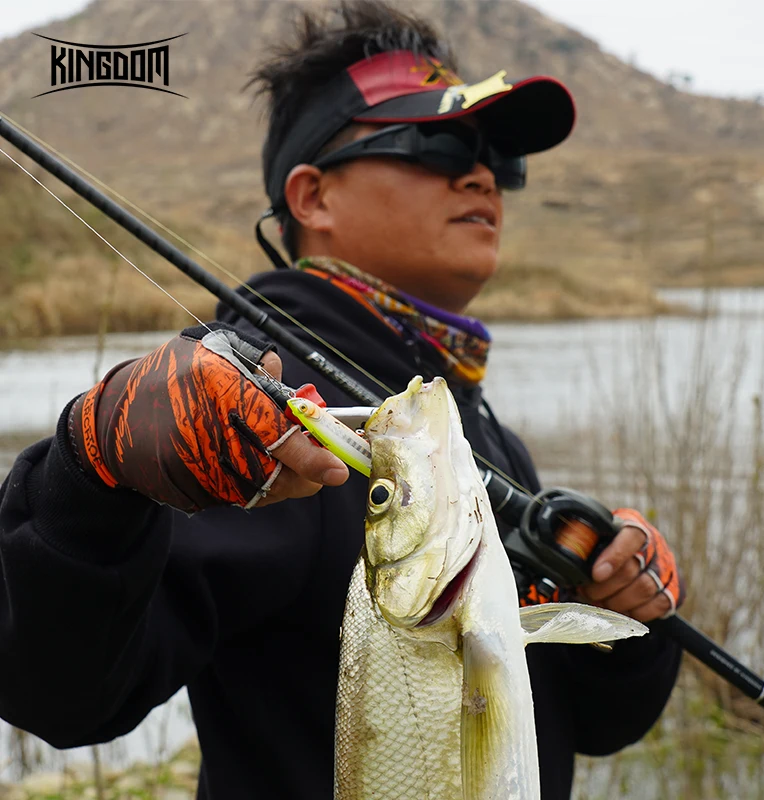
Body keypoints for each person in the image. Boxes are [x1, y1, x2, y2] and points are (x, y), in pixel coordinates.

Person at [0, 2, 684, 798]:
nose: (482, 174)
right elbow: (61, 693)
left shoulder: (450, 417)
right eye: (438, 142)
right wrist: (94, 472)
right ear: (313, 198)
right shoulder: (266, 423)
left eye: (499, 156)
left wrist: (626, 615)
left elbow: (593, 724)